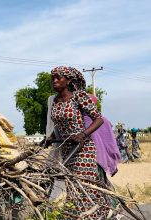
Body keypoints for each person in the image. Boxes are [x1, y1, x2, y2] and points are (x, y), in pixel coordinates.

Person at [45, 66, 114, 219]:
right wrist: (50, 138)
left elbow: (98, 119)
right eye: (53, 78)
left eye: (58, 77)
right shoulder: (55, 101)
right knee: (73, 188)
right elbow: (58, 125)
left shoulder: (79, 97)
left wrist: (83, 134)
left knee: (83, 188)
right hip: (66, 150)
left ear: (68, 80)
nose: (54, 80)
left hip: (83, 150)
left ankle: (93, 215)